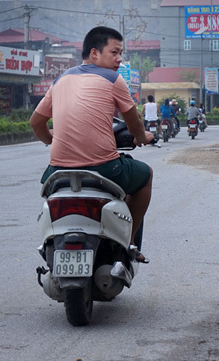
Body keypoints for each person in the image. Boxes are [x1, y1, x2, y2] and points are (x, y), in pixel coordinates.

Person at [29, 26, 154, 263]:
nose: (119, 59)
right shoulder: (112, 79)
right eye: (115, 52)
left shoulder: (61, 79)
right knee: (145, 175)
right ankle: (128, 242)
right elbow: (134, 121)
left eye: (121, 54)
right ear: (94, 53)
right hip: (104, 168)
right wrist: (142, 137)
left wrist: (51, 139)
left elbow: (36, 123)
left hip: (57, 171)